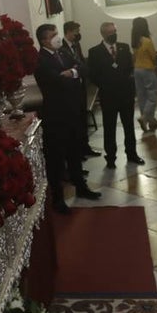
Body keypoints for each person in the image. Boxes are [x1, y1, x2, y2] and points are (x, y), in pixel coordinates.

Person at [34, 23, 101, 213]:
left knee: (74, 152)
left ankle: (81, 187)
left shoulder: (63, 52)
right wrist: (71, 76)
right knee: (56, 159)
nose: (57, 37)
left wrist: (72, 72)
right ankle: (58, 199)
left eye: (57, 33)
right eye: (53, 35)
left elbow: (83, 67)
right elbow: (55, 81)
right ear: (44, 40)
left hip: (73, 111)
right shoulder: (40, 60)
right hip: (56, 115)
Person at [88, 22, 144, 168]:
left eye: (115, 31)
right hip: (109, 95)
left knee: (129, 126)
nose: (114, 34)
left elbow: (130, 67)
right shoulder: (95, 52)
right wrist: (106, 84)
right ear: (103, 34)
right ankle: (111, 157)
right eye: (110, 32)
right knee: (109, 127)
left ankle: (132, 154)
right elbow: (92, 74)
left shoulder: (124, 47)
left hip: (125, 94)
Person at [61, 21, 99, 158]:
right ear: (68, 32)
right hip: (71, 89)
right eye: (76, 31)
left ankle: (85, 146)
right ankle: (78, 150)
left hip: (81, 86)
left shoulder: (76, 45)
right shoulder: (61, 47)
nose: (78, 34)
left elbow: (82, 63)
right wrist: (79, 69)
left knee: (83, 119)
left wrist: (83, 71)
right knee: (75, 121)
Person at [131, 17, 157, 132]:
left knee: (142, 96)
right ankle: (144, 118)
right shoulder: (147, 41)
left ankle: (151, 120)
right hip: (148, 69)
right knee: (153, 94)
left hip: (137, 69)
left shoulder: (135, 41)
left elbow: (134, 56)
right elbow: (153, 56)